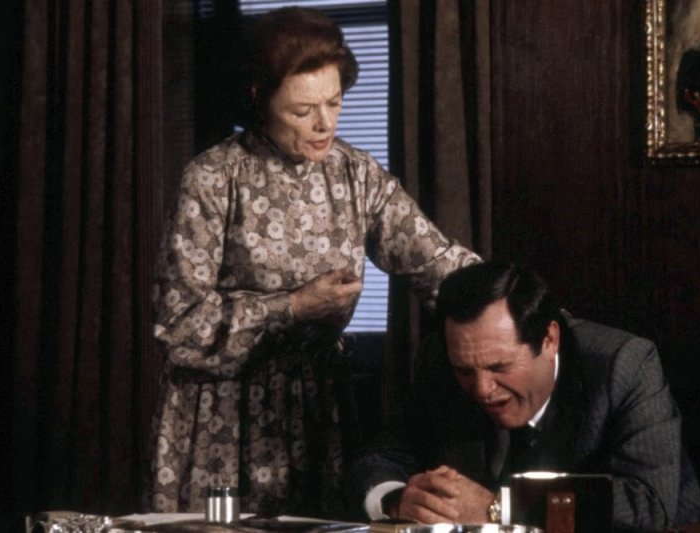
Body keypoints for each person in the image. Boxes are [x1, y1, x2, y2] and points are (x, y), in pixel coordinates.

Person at [144, 6, 479, 518]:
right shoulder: (212, 179)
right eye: (302, 111)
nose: (325, 123)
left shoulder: (356, 175)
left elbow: (438, 263)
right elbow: (179, 325)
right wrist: (293, 306)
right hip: (222, 421)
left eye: (335, 102)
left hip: (320, 415)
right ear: (259, 97)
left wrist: (523, 310)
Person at [344, 261, 700, 530]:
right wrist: (396, 500)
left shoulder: (626, 365)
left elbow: (649, 505)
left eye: (500, 366)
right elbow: (379, 457)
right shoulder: (440, 360)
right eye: (465, 371)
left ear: (549, 340)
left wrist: (499, 508)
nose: (482, 389)